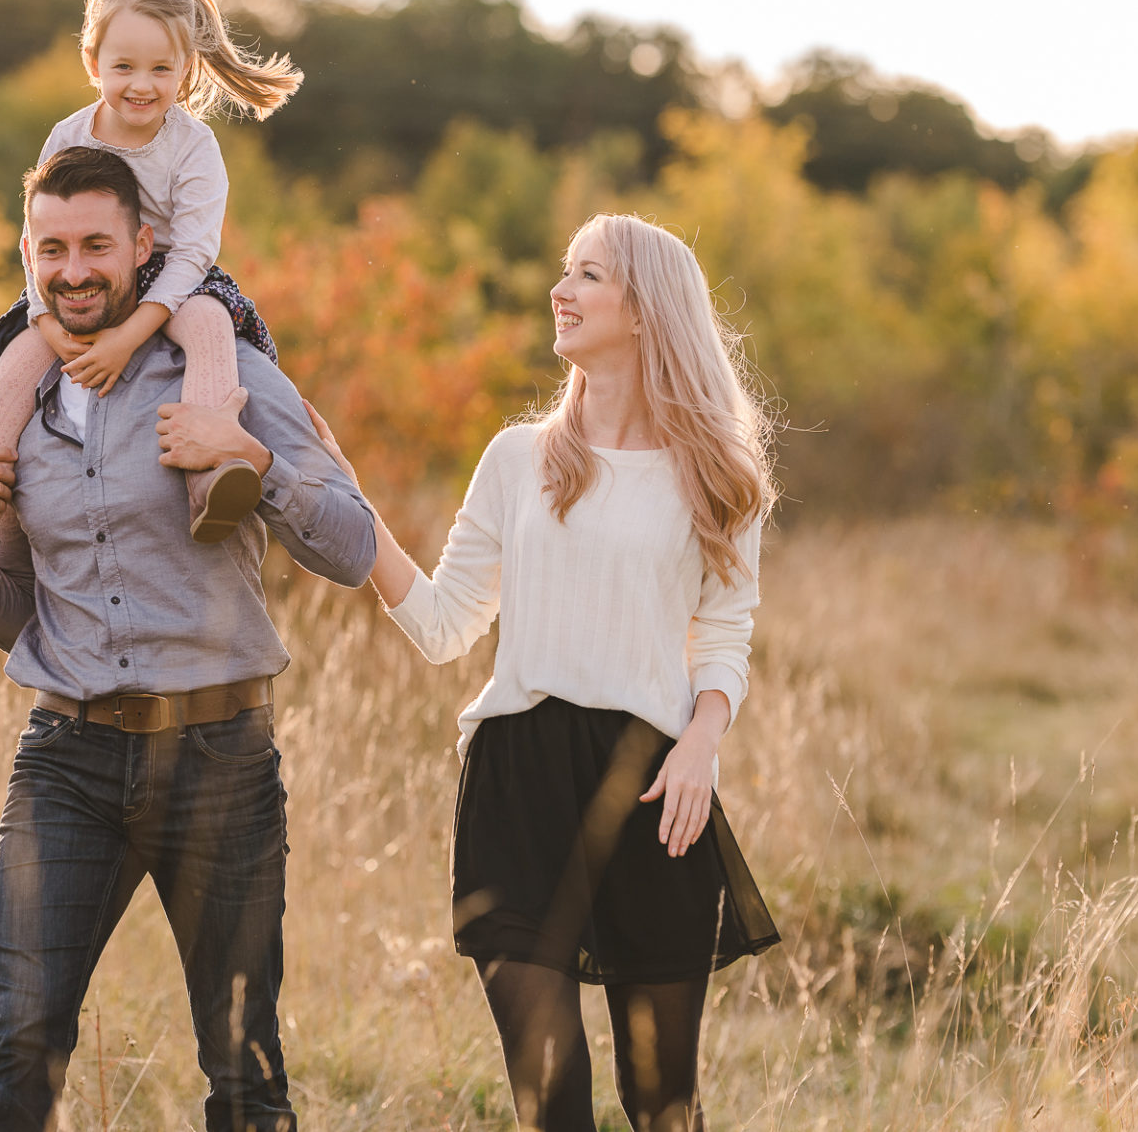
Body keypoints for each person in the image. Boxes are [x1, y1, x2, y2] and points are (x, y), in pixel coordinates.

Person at [0, 144, 374, 1132]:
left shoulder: (227, 371)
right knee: (23, 1039)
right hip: (67, 758)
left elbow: (353, 543)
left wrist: (249, 457)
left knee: (243, 1063)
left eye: (95, 245)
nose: (73, 269)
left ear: (144, 246)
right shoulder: (19, 395)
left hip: (221, 758)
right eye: (51, 249)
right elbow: (18, 610)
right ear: (27, 256)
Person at [307, 214, 782, 1132]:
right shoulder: (518, 459)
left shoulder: (716, 475)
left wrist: (701, 744)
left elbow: (725, 629)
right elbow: (446, 626)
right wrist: (352, 508)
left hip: (653, 793)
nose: (560, 290)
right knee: (551, 1102)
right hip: (516, 785)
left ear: (646, 311)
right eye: (564, 270)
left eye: (588, 275)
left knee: (663, 1105)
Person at [0, 0, 301, 625]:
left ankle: (209, 473)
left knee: (213, 326)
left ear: (187, 67)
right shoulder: (68, 136)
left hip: (170, 278)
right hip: (78, 279)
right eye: (123, 66)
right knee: (7, 379)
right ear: (92, 59)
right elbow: (38, 242)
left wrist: (129, 336)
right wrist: (50, 330)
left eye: (162, 70)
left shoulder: (193, 145)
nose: (141, 85)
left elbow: (192, 252)